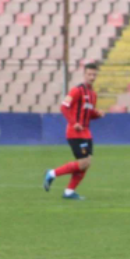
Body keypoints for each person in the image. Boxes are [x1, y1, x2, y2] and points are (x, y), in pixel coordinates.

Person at [43, 62, 104, 200]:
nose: (92, 77)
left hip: (86, 132)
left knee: (86, 163)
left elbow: (89, 113)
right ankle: (52, 173)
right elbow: (64, 107)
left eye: (94, 75)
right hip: (75, 132)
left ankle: (69, 192)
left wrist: (97, 114)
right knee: (84, 162)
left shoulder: (93, 94)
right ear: (84, 75)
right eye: (89, 74)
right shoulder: (76, 90)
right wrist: (74, 123)